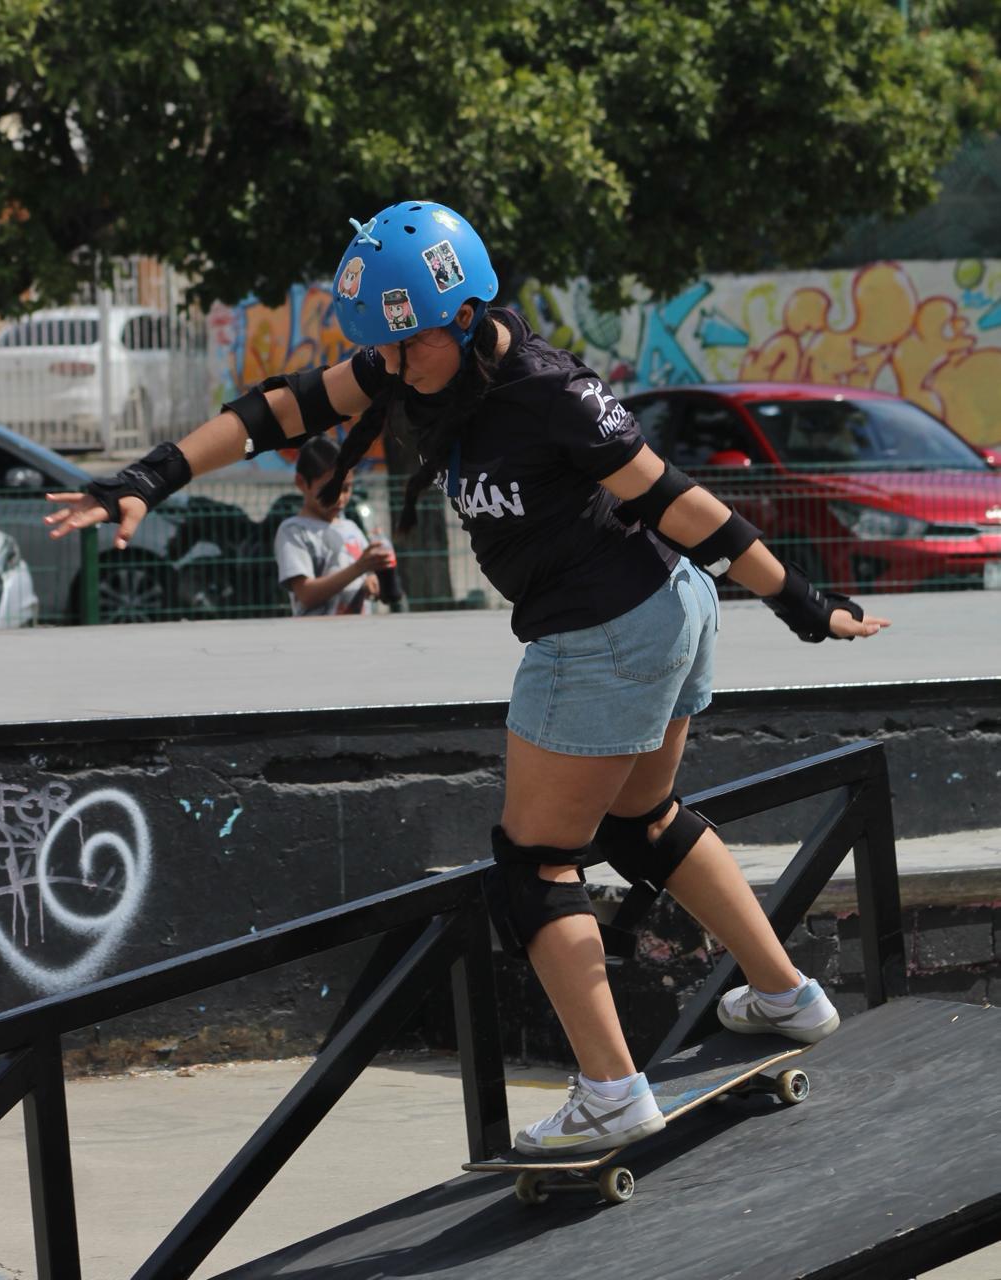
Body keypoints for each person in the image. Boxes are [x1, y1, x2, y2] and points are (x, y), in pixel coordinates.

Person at [44, 200, 890, 1156]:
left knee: (534, 868)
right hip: (650, 616)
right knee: (642, 824)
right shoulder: (411, 356)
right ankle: (788, 994)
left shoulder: (548, 391)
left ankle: (612, 1093)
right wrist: (144, 478)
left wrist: (803, 604)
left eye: (406, 350)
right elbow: (274, 410)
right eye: (383, 352)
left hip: (611, 629)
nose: (391, 369)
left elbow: (677, 500)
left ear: (463, 315)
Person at [274, 436, 394, 616]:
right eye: (329, 489)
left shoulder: (352, 528)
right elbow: (306, 594)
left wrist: (370, 580)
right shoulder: (294, 531)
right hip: (318, 640)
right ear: (301, 483)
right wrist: (359, 568)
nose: (339, 498)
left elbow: (362, 575)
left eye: (346, 489)